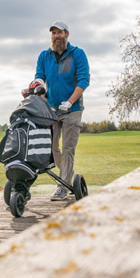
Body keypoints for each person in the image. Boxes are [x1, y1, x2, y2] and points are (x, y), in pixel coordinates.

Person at [32, 21, 90, 201]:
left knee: (68, 148)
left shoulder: (77, 54)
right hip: (51, 110)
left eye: (60, 32)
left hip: (72, 109)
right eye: (53, 33)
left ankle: (62, 187)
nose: (56, 36)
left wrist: (70, 101)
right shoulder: (44, 56)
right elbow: (39, 78)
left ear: (67, 35)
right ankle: (66, 175)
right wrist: (40, 93)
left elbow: (83, 80)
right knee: (52, 147)